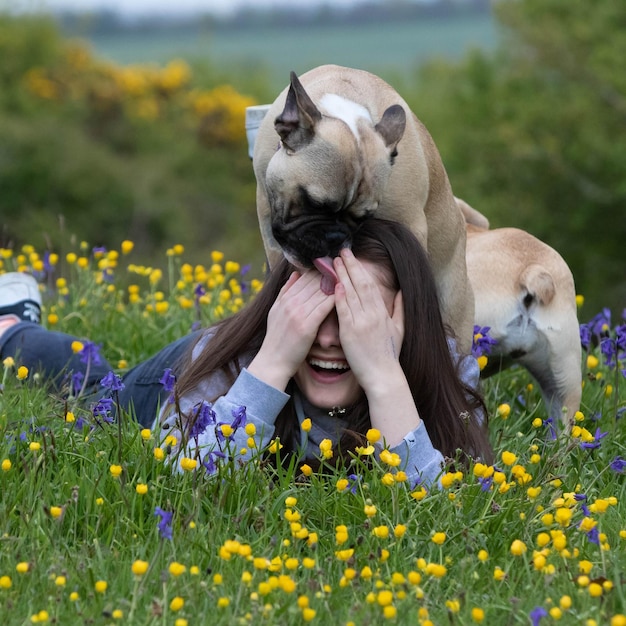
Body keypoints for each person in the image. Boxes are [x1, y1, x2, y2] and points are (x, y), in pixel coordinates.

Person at [0, 219, 492, 486]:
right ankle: (14, 324)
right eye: (313, 315)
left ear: (407, 320)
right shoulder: (236, 359)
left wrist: (384, 374)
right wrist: (276, 359)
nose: (325, 339)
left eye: (353, 318)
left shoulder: (444, 364)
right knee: (91, 388)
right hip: (175, 386)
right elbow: (189, 477)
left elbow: (433, 506)